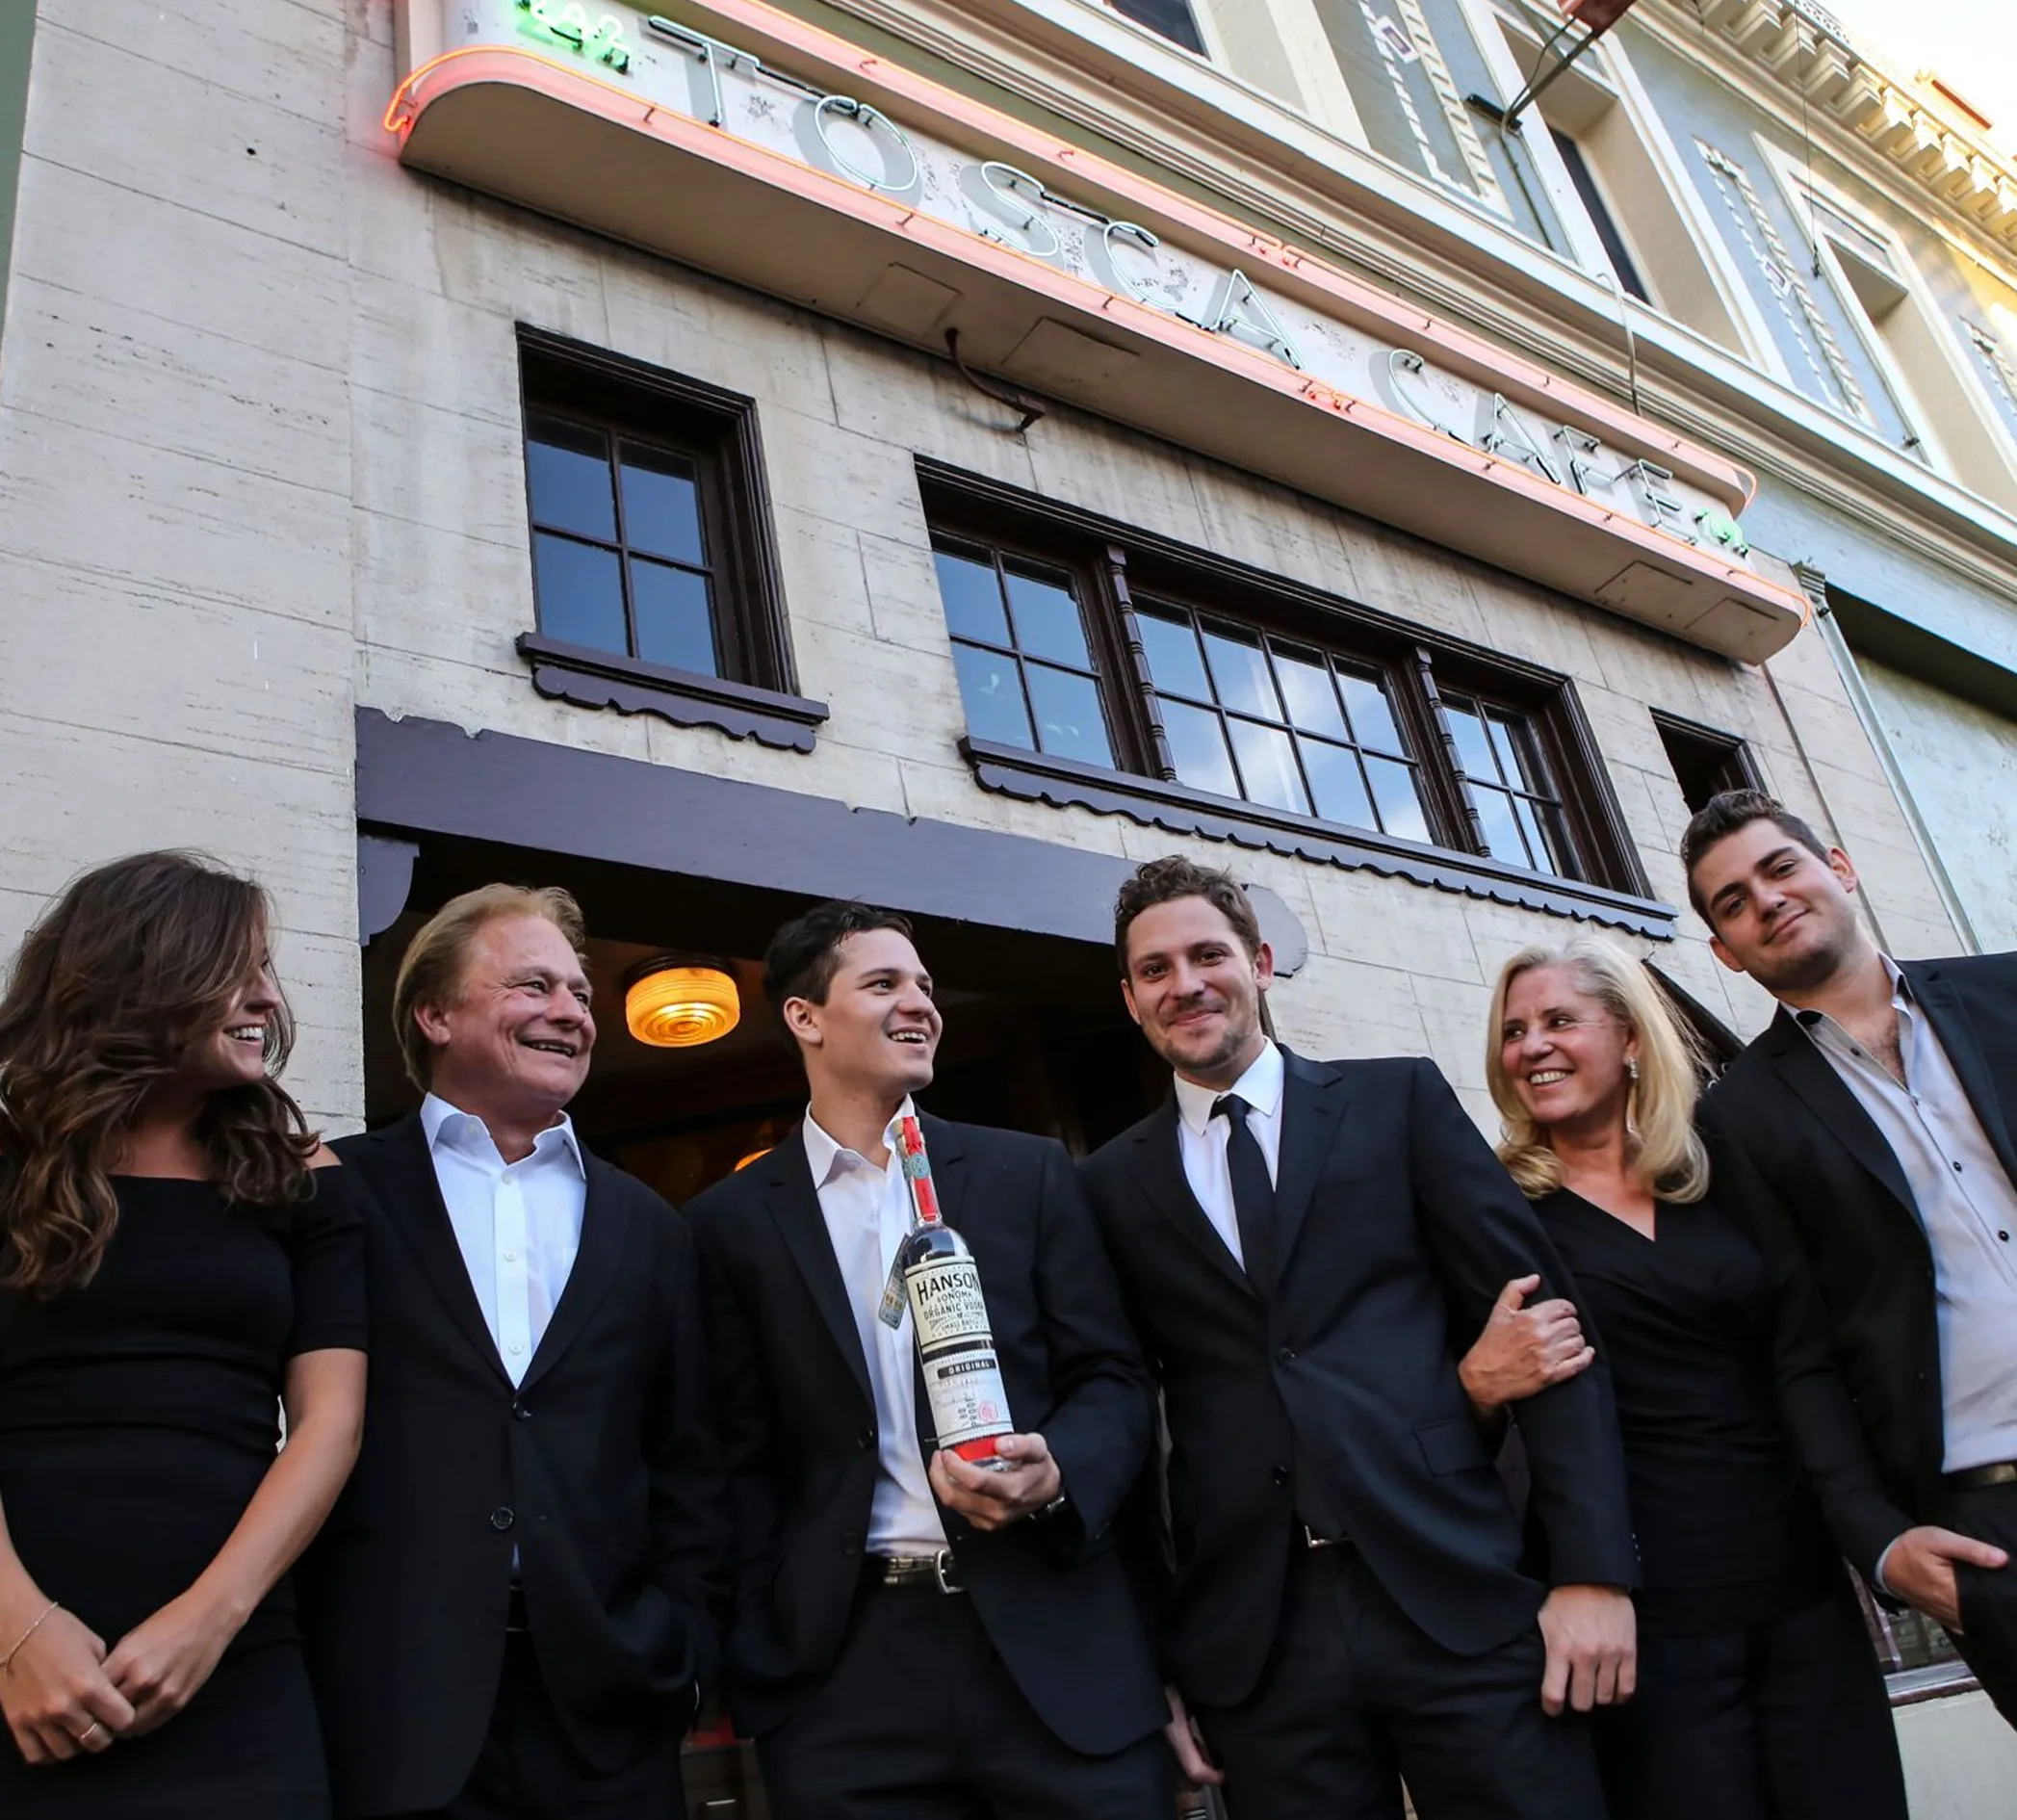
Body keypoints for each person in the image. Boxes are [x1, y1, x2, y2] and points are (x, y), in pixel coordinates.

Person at [1080, 855, 1636, 1820]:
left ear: (1258, 961)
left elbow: (1548, 1334)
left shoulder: (1397, 1103)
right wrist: (1152, 1664)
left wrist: (1591, 1573)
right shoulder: (1106, 1187)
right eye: (1156, 970)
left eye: (1207, 955)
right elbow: (1118, 1423)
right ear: (1129, 999)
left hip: (1455, 1594)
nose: (1186, 985)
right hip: (1258, 1642)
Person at [683, 900, 1170, 1820]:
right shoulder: (729, 1225)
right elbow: (729, 1460)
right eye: (882, 984)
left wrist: (1061, 1468)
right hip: (844, 1677)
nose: (919, 1003)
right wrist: (758, 1648)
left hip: (1055, 1648)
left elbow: (1111, 1375)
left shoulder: (1024, 1174)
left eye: (925, 986)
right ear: (804, 1017)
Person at [303, 885, 728, 1820]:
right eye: (534, 985)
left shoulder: (649, 1226)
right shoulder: (338, 1192)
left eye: (580, 993)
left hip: (609, 1714)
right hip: (394, 1712)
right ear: (435, 1012)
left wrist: (679, 1648)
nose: (572, 1012)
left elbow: (690, 1460)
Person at [1461, 934, 1907, 1819]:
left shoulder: (1720, 1172)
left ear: (1630, 1039)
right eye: (1513, 1032)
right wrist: (1475, 1385)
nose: (1531, 1047)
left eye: (1558, 1021)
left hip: (1802, 1590)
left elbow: (1810, 1355)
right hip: (1637, 1618)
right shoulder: (1493, 1214)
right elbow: (1441, 1418)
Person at [0, 850, 367, 1818]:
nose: (266, 996)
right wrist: (17, 1631)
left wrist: (210, 1623)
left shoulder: (304, 1177)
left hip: (234, 1663)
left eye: (269, 970)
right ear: (147, 967)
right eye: (238, 966)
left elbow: (330, 1423)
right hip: (13, 1656)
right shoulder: (10, 1164)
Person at [1682, 788, 2017, 1725]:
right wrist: (1878, 1542)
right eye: (1731, 903)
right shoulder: (1737, 1119)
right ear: (1723, 951)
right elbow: (1800, 1352)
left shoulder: (2006, 992)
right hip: (1993, 1521)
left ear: (1838, 865)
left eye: (1779, 868)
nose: (1765, 901)